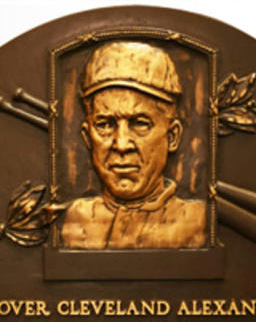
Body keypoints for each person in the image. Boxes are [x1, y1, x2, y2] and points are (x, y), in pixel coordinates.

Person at [61, 40, 206, 249]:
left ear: (172, 136)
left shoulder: (198, 222)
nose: (121, 144)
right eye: (105, 125)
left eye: (140, 124)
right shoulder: (74, 220)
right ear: (87, 137)